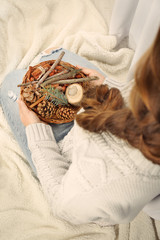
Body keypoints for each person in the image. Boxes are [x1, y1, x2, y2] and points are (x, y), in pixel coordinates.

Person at [1, 29, 160, 226]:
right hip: (102, 111)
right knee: (54, 54)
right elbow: (135, 98)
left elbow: (62, 206)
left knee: (11, 83)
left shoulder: (102, 182)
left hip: (68, 156)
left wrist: (36, 131)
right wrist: (108, 89)